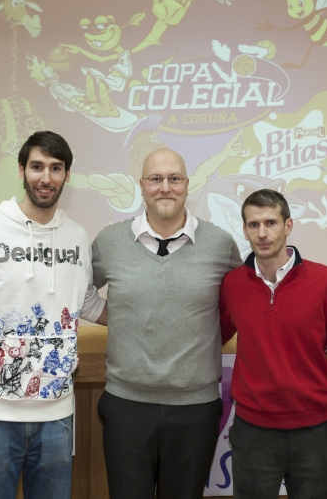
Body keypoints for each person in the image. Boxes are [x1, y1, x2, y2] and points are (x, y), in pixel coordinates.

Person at [0, 131, 106, 499]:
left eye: (56, 168)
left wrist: (151, 312)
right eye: (37, 167)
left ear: (67, 175)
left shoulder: (77, 237)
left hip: (57, 419)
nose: (46, 177)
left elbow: (89, 304)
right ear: (21, 170)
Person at [91, 148, 242, 499]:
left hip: (196, 409)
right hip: (126, 404)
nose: (165, 187)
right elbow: (78, 291)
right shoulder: (110, 241)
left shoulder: (220, 244)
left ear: (187, 185)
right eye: (156, 179)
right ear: (141, 185)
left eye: (174, 179)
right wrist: (122, 316)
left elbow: (241, 303)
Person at [219, 189, 327, 499]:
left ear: (288, 226)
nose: (262, 233)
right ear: (245, 230)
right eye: (254, 225)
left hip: (315, 434)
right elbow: (210, 338)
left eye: (271, 223)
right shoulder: (232, 284)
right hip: (253, 433)